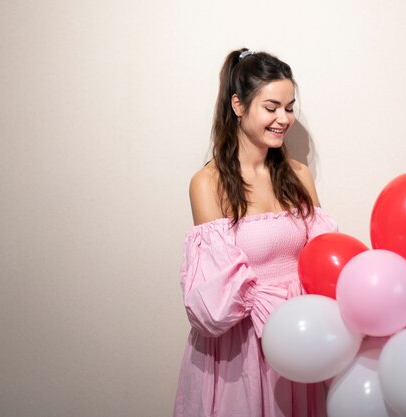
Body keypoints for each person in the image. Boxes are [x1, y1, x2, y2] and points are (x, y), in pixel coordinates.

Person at [173, 48, 337, 417]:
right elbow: (213, 300)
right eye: (272, 106)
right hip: (240, 350)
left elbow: (323, 258)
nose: (283, 118)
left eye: (290, 107)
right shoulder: (208, 183)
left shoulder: (298, 175)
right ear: (238, 105)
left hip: (299, 340)